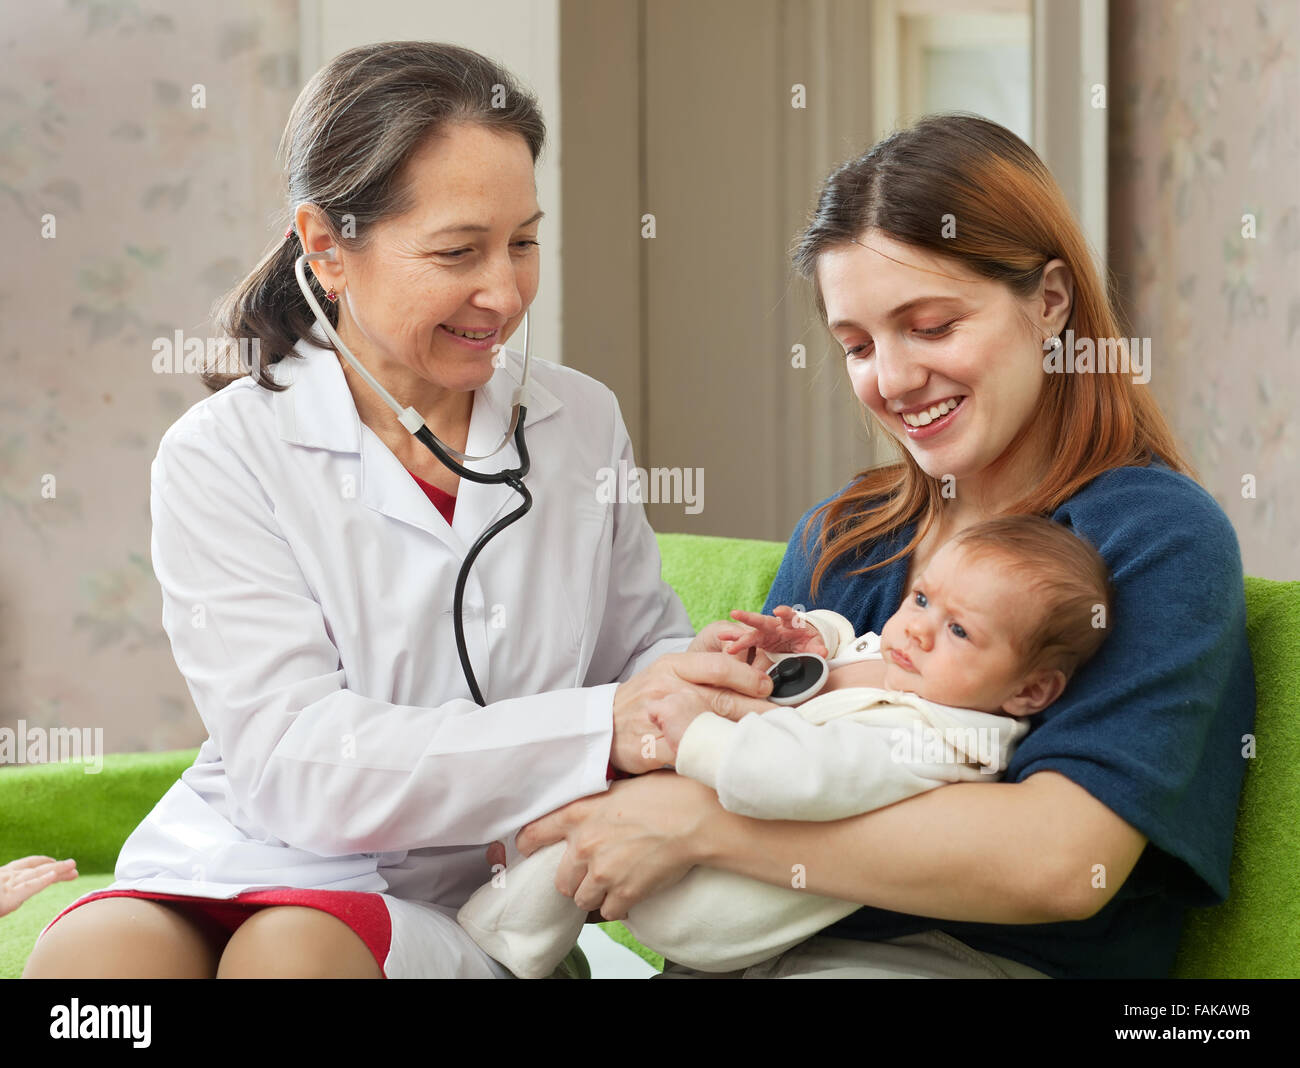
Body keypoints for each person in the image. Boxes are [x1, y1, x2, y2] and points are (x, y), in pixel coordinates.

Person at [21, 42, 776, 981]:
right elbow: (294, 763)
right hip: (241, 849)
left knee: (292, 953)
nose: (503, 293)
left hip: (465, 898)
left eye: (524, 242)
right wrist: (602, 727)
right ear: (326, 248)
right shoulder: (222, 452)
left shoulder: (578, 422)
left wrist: (714, 671)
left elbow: (638, 653)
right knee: (96, 965)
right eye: (459, 252)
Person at [507, 114, 1256, 980]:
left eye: (932, 326)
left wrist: (702, 828)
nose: (892, 380)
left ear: (1050, 302)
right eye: (857, 346)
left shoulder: (1151, 536)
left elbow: (1059, 862)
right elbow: (745, 743)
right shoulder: (846, 536)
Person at [458, 515, 1113, 977]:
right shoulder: (916, 671)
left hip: (716, 908)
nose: (914, 631)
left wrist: (696, 733)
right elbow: (852, 653)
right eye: (920, 598)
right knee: (574, 823)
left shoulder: (942, 743)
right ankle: (496, 948)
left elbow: (800, 778)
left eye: (960, 630)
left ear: (1030, 692)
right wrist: (813, 635)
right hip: (692, 858)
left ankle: (504, 942)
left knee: (599, 818)